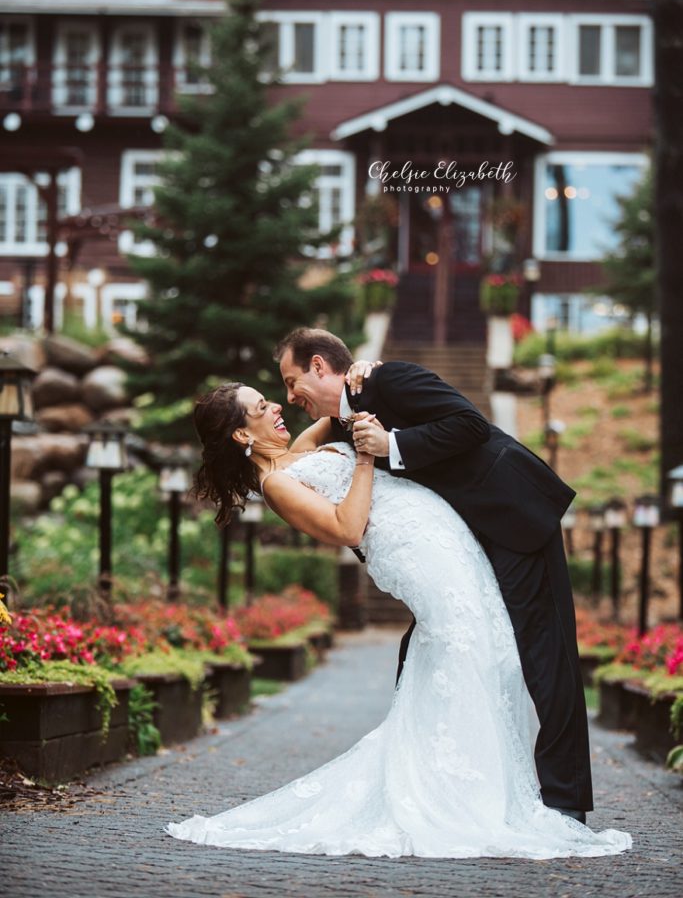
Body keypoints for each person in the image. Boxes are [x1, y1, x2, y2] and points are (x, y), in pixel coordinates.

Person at [165, 380, 631, 858]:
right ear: (243, 435)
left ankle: (466, 779)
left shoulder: (299, 450)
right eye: (262, 406)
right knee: (465, 644)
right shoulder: (277, 486)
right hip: (414, 555)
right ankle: (463, 792)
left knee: (491, 646)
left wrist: (361, 377)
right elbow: (347, 526)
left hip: (445, 539)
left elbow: (340, 410)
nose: (278, 405)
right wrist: (365, 458)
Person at [276, 328, 591, 823]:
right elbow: (291, 458)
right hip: (464, 544)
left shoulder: (391, 381)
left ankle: (566, 804)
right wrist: (348, 410)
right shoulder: (342, 421)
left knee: (545, 657)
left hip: (511, 513)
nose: (290, 397)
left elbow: (471, 424)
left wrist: (391, 442)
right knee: (429, 652)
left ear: (319, 366)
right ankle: (434, 784)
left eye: (294, 383)